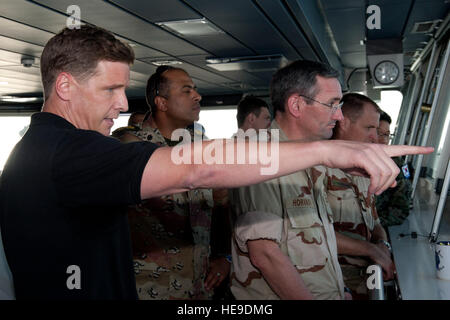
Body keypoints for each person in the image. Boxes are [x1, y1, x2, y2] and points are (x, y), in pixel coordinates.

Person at [0, 25, 431, 300]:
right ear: (65, 86)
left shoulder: (45, 147)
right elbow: (195, 167)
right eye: (110, 89)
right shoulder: (67, 154)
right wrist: (330, 151)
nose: (120, 103)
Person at [229, 60, 352, 300]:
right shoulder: (262, 157)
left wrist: (340, 290)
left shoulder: (311, 157)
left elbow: (316, 243)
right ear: (296, 105)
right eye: (331, 104)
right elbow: (265, 254)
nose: (339, 115)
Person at [118, 65, 231, 300]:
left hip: (200, 286)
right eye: (186, 90)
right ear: (162, 103)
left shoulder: (202, 147)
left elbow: (221, 205)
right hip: (148, 287)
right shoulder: (130, 147)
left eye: (196, 90)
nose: (197, 96)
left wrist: (224, 256)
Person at [328, 93, 394, 299]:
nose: (375, 137)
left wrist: (382, 245)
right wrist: (371, 251)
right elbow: (314, 235)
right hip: (335, 281)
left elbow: (374, 223)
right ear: (344, 123)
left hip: (367, 276)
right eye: (370, 128)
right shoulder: (318, 170)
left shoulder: (364, 170)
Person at [376, 111, 412, 228]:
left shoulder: (397, 164)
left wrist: (373, 224)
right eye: (378, 133)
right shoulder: (349, 160)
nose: (383, 140)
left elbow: (400, 209)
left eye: (386, 135)